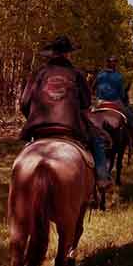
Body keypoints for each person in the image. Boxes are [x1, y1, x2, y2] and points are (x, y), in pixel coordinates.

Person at [20, 35, 112, 189]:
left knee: (25, 154)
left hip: (40, 127)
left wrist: (34, 119)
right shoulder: (76, 74)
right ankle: (102, 177)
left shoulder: (39, 73)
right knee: (98, 139)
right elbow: (86, 103)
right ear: (68, 54)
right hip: (71, 126)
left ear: (52, 54)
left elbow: (24, 103)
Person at [92, 56, 133, 151]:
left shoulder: (100, 75)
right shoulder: (118, 76)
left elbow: (93, 88)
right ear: (115, 65)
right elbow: (122, 94)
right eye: (114, 63)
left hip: (99, 102)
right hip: (115, 102)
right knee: (131, 116)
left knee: (88, 117)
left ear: (106, 64)